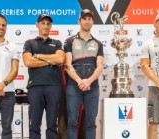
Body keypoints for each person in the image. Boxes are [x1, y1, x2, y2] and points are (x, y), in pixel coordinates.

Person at [22, 14, 65, 139]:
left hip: (54, 86)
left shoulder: (57, 43)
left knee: (52, 125)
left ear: (51, 26)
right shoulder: (29, 43)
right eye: (43, 23)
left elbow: (61, 58)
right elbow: (28, 62)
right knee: (34, 124)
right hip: (35, 87)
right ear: (37, 25)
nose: (45, 26)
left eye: (48, 24)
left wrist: (38, 56)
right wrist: (51, 60)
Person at [64, 9, 104, 139]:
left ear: (93, 22)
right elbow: (68, 65)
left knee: (91, 123)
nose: (87, 21)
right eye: (84, 19)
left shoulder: (98, 44)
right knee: (72, 122)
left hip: (92, 87)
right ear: (79, 21)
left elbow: (100, 66)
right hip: (74, 86)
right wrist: (80, 81)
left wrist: (88, 81)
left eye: (89, 19)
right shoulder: (69, 41)